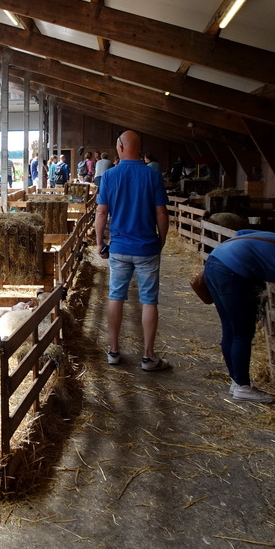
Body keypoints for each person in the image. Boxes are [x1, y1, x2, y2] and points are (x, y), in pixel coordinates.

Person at [95, 130, 170, 371]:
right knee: (149, 300)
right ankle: (148, 357)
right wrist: (162, 239)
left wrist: (99, 242)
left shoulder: (109, 176)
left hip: (119, 247)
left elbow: (101, 213)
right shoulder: (153, 175)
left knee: (116, 295)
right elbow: (161, 213)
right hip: (147, 246)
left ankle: (114, 351)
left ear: (120, 147)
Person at [204, 231, 275, 402]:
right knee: (242, 332)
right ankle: (243, 386)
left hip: (214, 261)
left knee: (230, 328)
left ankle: (236, 382)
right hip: (232, 272)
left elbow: (241, 232)